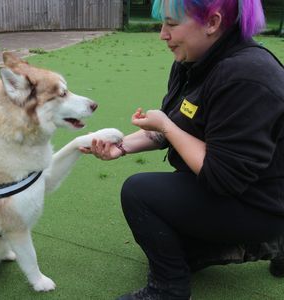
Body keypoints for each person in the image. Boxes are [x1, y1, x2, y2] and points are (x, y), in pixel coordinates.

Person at [80, 0, 284, 299]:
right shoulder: (192, 62)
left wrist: (166, 127)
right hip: (238, 188)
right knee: (174, 247)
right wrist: (121, 147)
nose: (163, 34)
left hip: (264, 203)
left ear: (212, 23)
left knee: (140, 192)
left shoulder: (247, 76)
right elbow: (175, 129)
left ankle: (168, 290)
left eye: (172, 24)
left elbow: (223, 176)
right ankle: (258, 245)